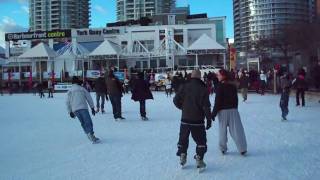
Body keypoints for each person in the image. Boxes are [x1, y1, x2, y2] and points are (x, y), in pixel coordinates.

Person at [173, 70, 211, 171]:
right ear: (200, 77)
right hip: (198, 120)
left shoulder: (184, 86)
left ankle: (182, 154)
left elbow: (175, 100)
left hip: (185, 119)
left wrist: (183, 108)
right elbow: (206, 106)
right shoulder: (203, 88)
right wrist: (209, 119)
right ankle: (199, 158)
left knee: (183, 138)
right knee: (201, 140)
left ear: (191, 76)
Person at [212, 69, 247, 156]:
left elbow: (218, 101)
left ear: (223, 76)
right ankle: (242, 148)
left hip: (223, 111)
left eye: (219, 75)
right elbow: (236, 99)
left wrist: (213, 113)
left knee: (222, 130)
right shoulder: (232, 86)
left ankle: (223, 148)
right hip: (233, 110)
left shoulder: (220, 87)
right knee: (237, 130)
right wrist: (235, 108)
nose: (217, 76)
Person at [66, 76, 99, 143]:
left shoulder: (70, 91)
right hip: (83, 108)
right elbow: (89, 98)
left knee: (83, 122)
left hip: (75, 110)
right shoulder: (82, 89)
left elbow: (67, 102)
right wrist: (92, 108)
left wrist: (70, 111)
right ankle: (91, 134)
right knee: (88, 121)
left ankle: (88, 133)